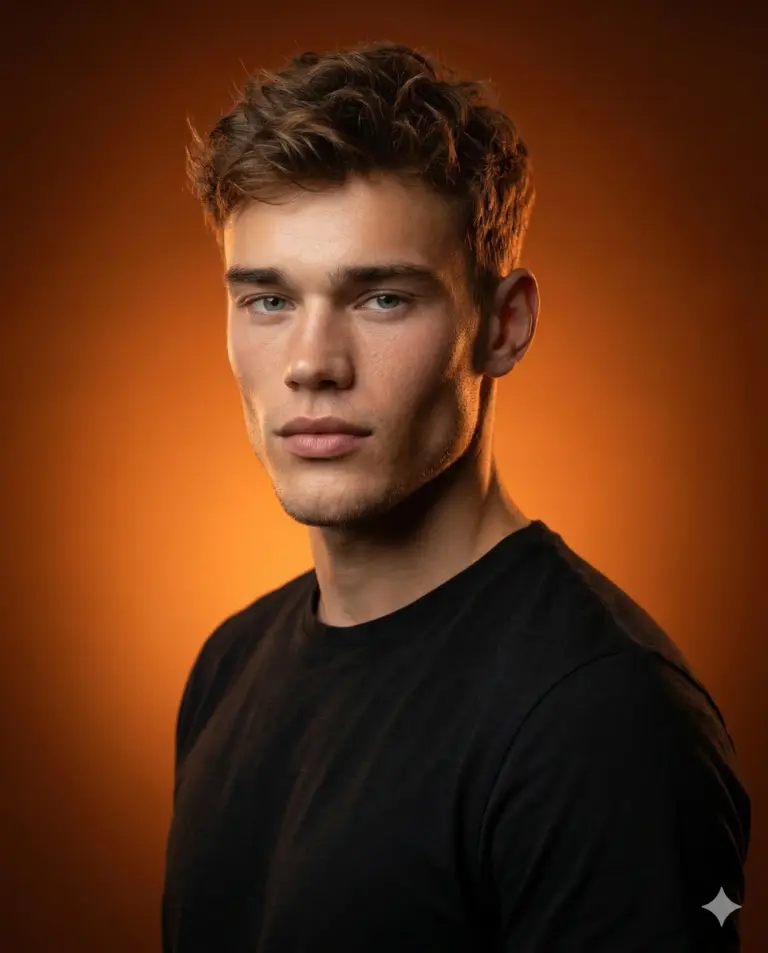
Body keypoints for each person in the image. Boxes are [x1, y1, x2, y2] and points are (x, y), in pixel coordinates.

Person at [161, 41, 751, 953]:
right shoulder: (228, 664)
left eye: (383, 298)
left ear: (503, 325)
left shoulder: (603, 722)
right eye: (268, 301)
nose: (313, 364)